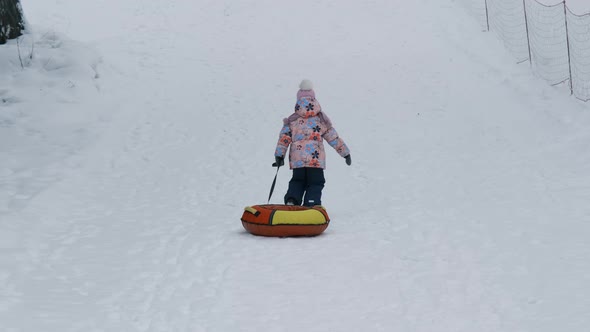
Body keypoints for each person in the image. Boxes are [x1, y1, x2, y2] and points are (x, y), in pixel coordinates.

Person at [273, 79, 351, 207]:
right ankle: (311, 202)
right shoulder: (321, 120)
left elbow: (284, 139)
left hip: (298, 160)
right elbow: (333, 138)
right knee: (315, 182)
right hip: (315, 160)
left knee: (297, 181)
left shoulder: (292, 120)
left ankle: (292, 200)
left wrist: (279, 156)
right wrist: (345, 153)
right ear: (314, 101)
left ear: (298, 102)